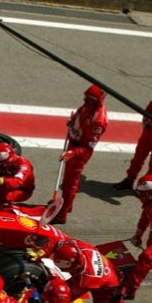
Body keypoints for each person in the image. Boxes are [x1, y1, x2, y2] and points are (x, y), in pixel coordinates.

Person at [53, 85, 108, 224]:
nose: (84, 99)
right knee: (67, 181)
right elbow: (79, 116)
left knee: (69, 183)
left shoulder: (98, 120)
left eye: (88, 98)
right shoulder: (87, 105)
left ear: (95, 100)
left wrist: (71, 153)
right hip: (73, 144)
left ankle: (62, 214)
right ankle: (67, 205)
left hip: (79, 152)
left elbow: (89, 147)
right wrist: (72, 122)